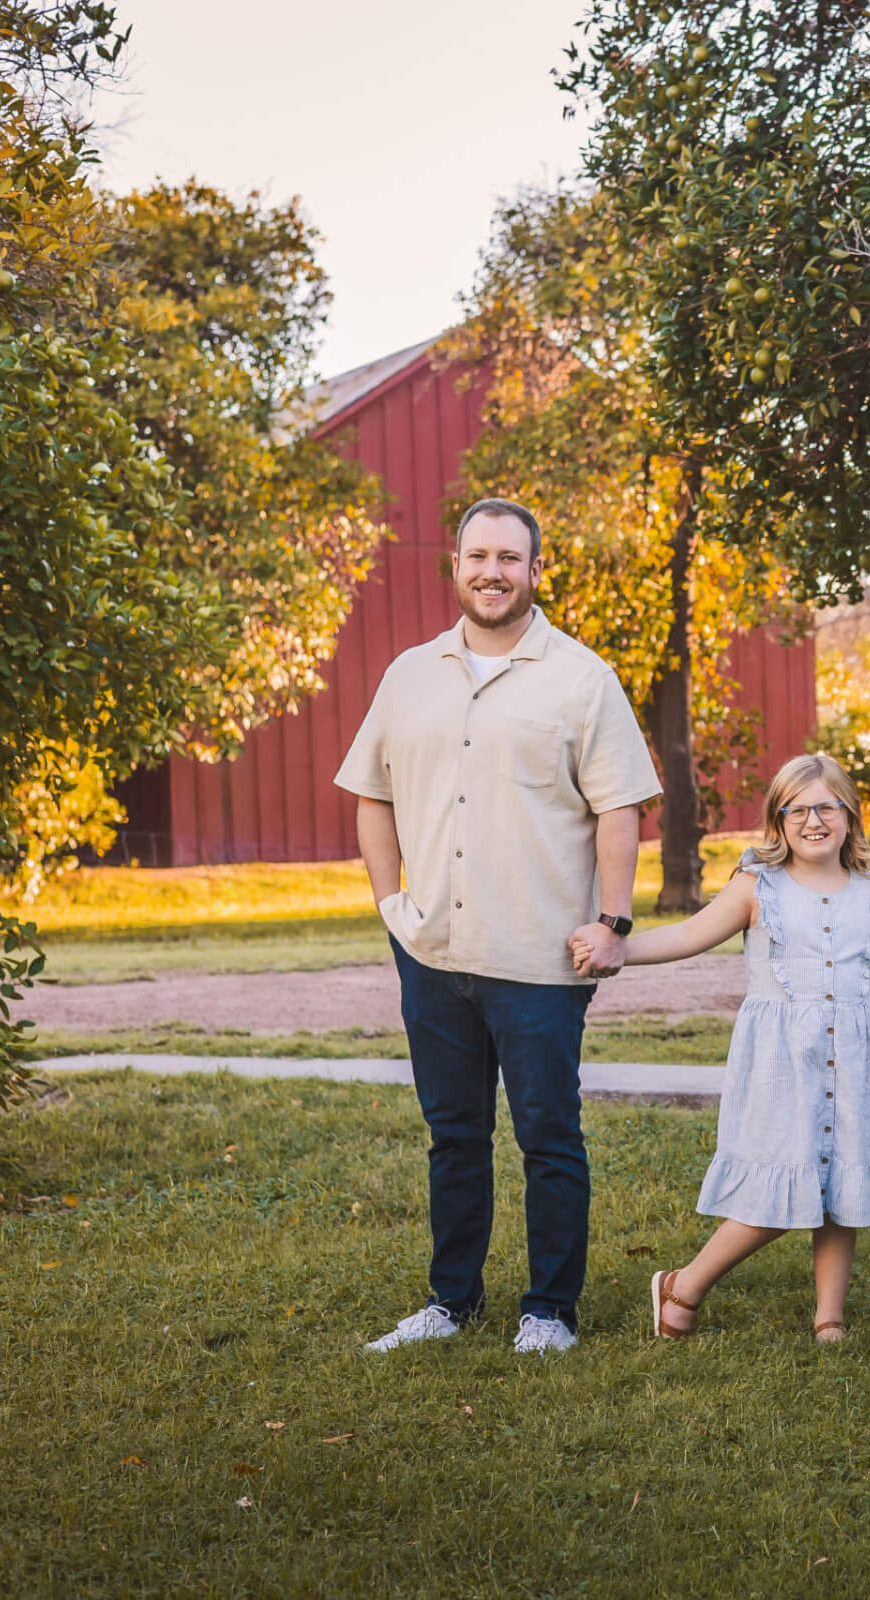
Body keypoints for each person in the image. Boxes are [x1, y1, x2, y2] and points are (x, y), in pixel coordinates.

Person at [337, 498, 661, 1356]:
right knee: (454, 1136)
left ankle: (549, 1311)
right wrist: (387, 904)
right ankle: (452, 1300)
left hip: (540, 956)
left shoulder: (582, 678)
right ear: (457, 565)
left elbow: (621, 807)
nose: (493, 571)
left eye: (510, 558)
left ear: (535, 570)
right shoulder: (409, 675)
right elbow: (372, 792)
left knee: (548, 1136)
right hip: (431, 950)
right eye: (478, 555)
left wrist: (614, 918)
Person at [586, 753, 870, 1346]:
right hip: (783, 1061)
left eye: (826, 807)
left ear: (849, 813)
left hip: (855, 1059)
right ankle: (683, 1285)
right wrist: (620, 948)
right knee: (779, 1187)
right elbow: (689, 934)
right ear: (778, 820)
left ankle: (829, 1317)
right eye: (797, 809)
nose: (813, 820)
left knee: (842, 1190)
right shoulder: (759, 885)